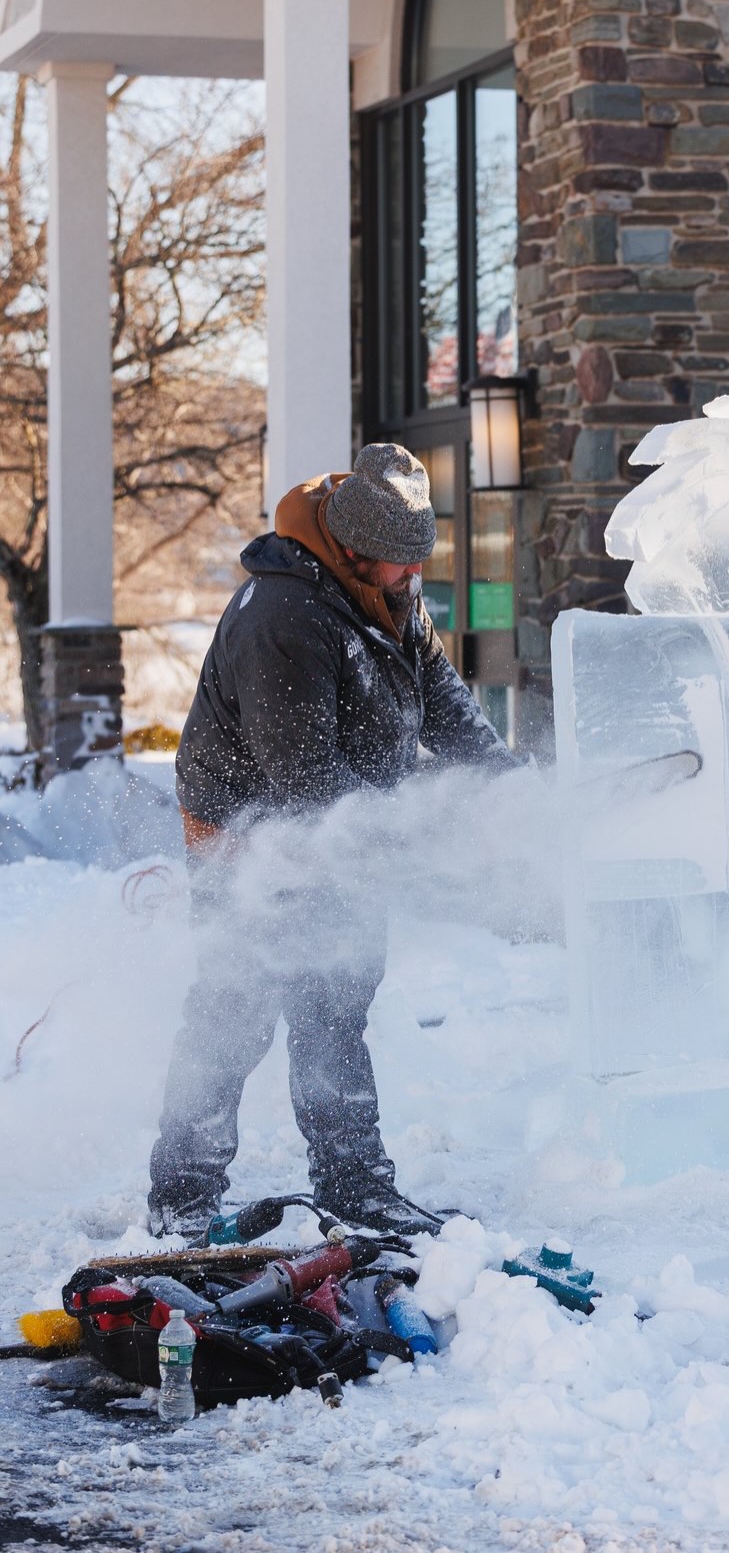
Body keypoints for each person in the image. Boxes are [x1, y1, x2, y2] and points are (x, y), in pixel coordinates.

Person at [147, 443, 516, 1238]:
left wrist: (497, 782)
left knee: (336, 1004)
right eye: (394, 564)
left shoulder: (387, 592)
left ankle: (354, 1183)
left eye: (416, 561)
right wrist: (417, 828)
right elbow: (304, 781)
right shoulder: (283, 619)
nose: (408, 577)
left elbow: (443, 697)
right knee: (235, 1010)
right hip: (250, 841)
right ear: (349, 551)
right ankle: (182, 1196)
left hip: (340, 829)